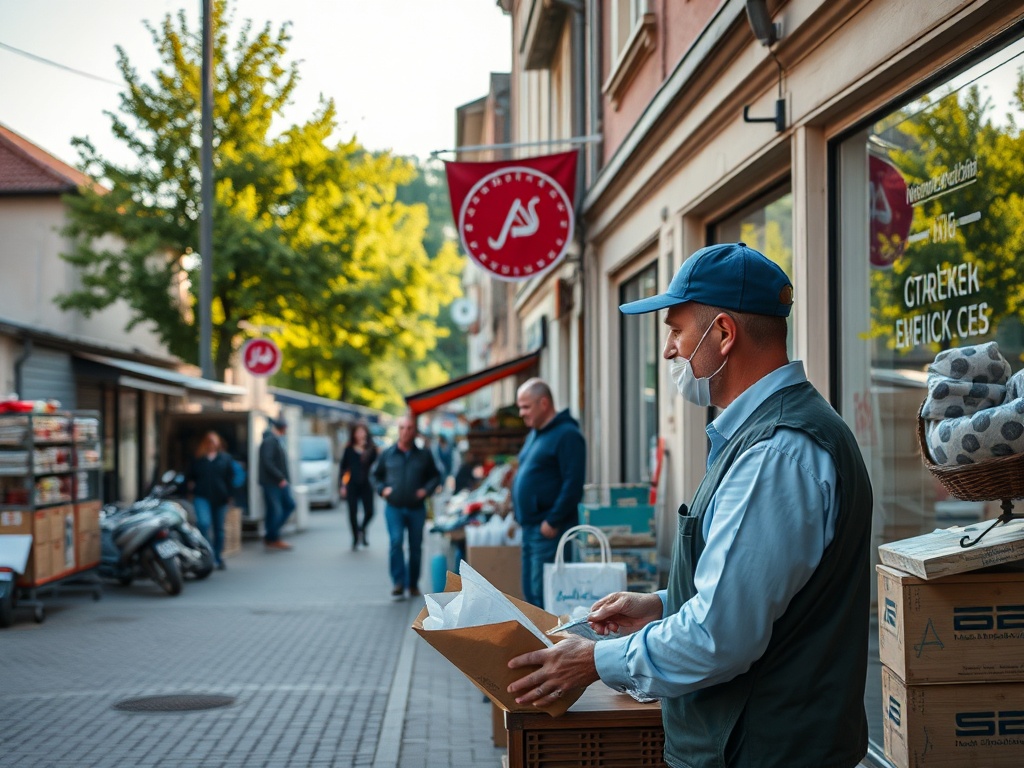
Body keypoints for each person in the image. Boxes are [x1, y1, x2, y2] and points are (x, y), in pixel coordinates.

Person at [506, 243, 873, 768]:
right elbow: (761, 586)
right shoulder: (766, 437)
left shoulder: (776, 451)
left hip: (764, 750)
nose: (670, 351)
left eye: (676, 331)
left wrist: (594, 661)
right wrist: (661, 602)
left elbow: (717, 634)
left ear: (723, 334)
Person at [511, 378, 586, 608]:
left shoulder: (568, 435)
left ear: (543, 403)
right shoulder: (535, 433)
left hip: (549, 530)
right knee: (530, 593)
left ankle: (550, 644)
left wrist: (553, 520)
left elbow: (574, 483)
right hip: (530, 527)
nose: (521, 413)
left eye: (525, 406)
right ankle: (538, 643)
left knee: (544, 596)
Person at [373, 413, 441, 600]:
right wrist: (381, 489)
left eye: (409, 428)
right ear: (398, 430)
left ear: (415, 431)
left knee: (415, 546)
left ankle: (412, 584)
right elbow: (376, 475)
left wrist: (425, 491)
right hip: (394, 507)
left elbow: (435, 476)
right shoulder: (388, 453)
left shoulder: (423, 455)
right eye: (402, 428)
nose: (405, 432)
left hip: (416, 508)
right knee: (396, 542)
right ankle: (398, 583)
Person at [186, 430, 234, 570]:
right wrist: (188, 490)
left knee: (219, 529)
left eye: (214, 441)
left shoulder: (225, 458)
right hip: (202, 495)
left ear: (218, 443)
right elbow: (190, 476)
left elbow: (230, 479)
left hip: (221, 497)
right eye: (209, 441)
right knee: (203, 524)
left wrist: (230, 496)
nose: (211, 444)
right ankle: (209, 555)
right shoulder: (198, 459)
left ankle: (218, 556)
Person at [258, 417, 295, 551]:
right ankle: (272, 536)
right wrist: (280, 478)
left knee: (274, 510)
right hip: (274, 482)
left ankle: (271, 536)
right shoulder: (270, 441)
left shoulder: (275, 440)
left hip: (277, 482)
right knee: (280, 509)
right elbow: (268, 462)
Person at [340, 422, 378, 551]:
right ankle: (356, 537)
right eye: (358, 431)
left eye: (363, 431)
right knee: (352, 512)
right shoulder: (349, 449)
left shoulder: (371, 449)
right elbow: (344, 468)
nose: (360, 434)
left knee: (370, 511)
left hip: (367, 484)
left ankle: (362, 529)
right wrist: (342, 485)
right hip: (352, 484)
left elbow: (378, 467)